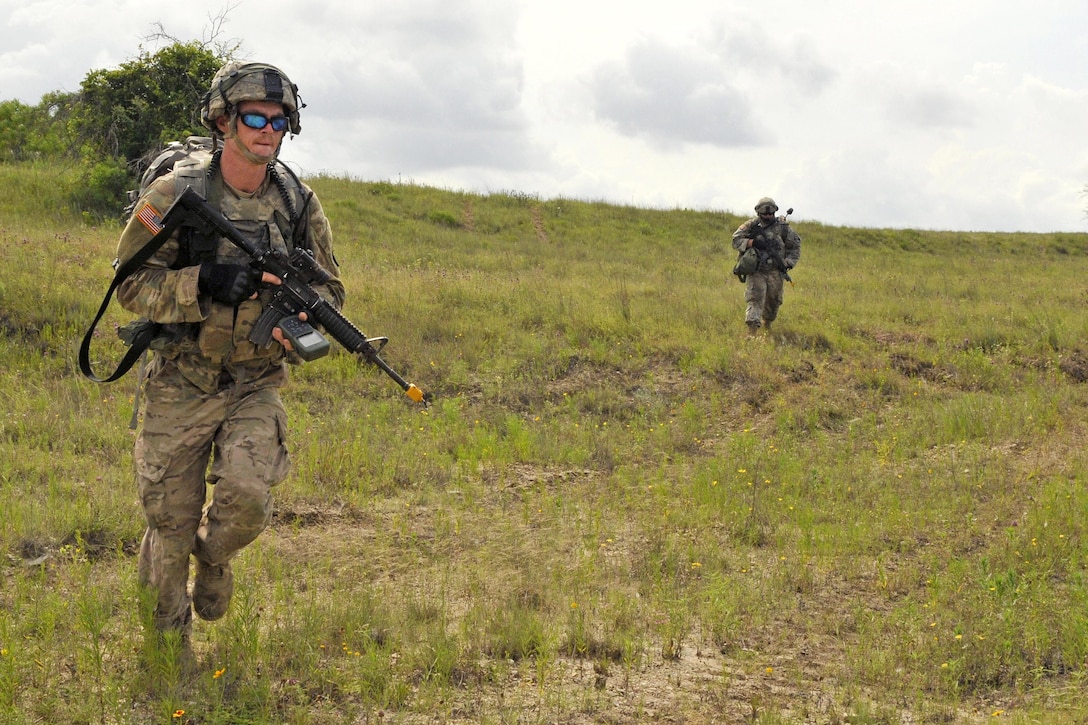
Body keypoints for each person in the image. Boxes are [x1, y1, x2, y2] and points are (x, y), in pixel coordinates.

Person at [115, 61, 345, 641]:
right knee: (168, 521)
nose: (268, 130)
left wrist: (300, 308)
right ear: (223, 121)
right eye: (254, 117)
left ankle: (213, 557)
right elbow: (128, 286)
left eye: (279, 120)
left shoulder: (297, 203)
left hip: (253, 381)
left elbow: (331, 288)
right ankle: (169, 647)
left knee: (246, 500)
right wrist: (203, 282)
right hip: (181, 379)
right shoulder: (173, 194)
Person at [731, 197, 801, 334]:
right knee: (755, 299)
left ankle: (767, 324)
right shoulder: (751, 226)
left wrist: (788, 263)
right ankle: (751, 333)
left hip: (776, 271)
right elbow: (736, 240)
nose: (768, 216)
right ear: (758, 213)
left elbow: (795, 246)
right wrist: (752, 243)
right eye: (765, 214)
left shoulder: (783, 228)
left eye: (771, 214)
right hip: (757, 270)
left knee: (773, 302)